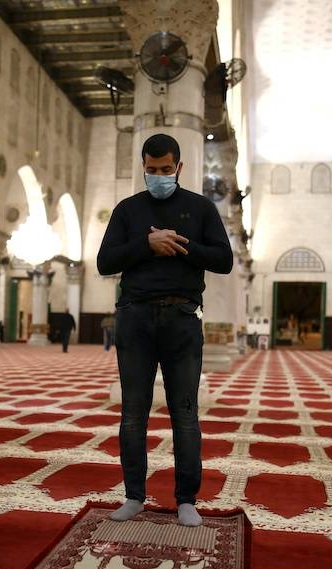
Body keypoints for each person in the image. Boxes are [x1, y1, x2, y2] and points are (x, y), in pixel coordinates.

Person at [96, 133, 233, 527]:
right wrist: (146, 243)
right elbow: (106, 262)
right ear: (143, 167)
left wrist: (180, 245)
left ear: (179, 168)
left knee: (185, 414)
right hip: (135, 319)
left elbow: (223, 260)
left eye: (165, 169)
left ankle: (186, 499)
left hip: (182, 320)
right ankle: (134, 496)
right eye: (151, 170)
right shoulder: (127, 210)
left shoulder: (200, 207)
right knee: (133, 413)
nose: (158, 176)